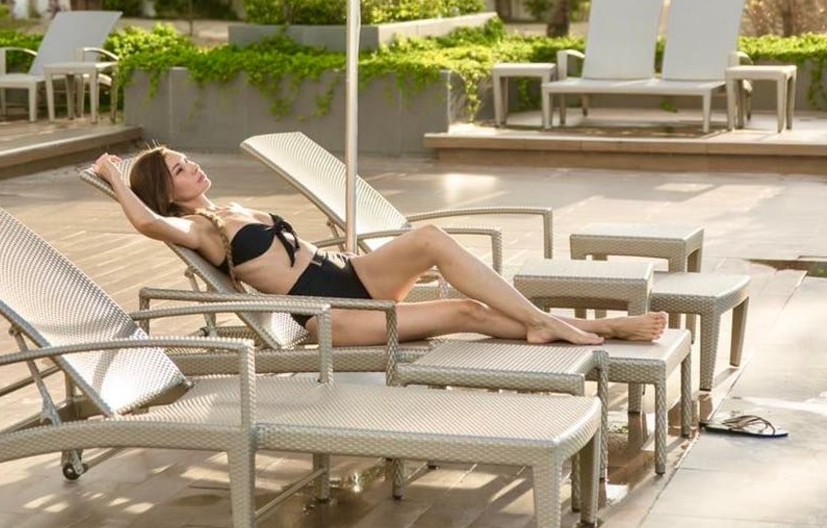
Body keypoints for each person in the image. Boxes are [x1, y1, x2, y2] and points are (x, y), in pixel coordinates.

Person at [93, 145, 668, 348]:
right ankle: (586, 327)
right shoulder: (197, 230)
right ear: (165, 192)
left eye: (185, 159)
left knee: (431, 239)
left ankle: (548, 324)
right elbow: (146, 226)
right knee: (465, 311)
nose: (191, 165)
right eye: (178, 167)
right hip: (331, 313)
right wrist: (116, 177)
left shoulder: (227, 209)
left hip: (350, 273)